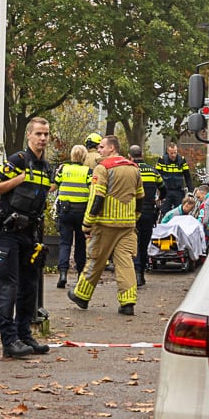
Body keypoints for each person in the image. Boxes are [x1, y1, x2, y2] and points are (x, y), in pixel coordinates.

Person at [0, 117, 54, 359]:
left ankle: (24, 336)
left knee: (29, 287)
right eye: (38, 134)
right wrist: (18, 179)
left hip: (29, 234)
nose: (42, 138)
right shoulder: (18, 160)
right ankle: (9, 340)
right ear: (29, 136)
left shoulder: (46, 167)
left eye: (46, 134)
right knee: (8, 287)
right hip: (9, 233)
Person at [68, 134, 141, 316]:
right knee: (125, 263)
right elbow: (140, 196)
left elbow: (97, 197)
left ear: (111, 148)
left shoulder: (102, 168)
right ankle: (128, 302)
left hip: (105, 223)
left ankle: (81, 295)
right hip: (127, 224)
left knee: (95, 259)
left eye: (101, 147)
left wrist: (87, 222)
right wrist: (135, 216)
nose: (98, 150)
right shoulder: (134, 168)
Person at [53, 144, 91, 289]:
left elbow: (53, 187)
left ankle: (63, 274)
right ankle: (80, 274)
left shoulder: (64, 169)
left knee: (65, 243)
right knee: (80, 244)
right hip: (81, 212)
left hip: (65, 211)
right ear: (84, 156)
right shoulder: (88, 172)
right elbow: (92, 190)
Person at [134, 152, 162, 288]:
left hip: (133, 211)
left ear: (130, 156)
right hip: (148, 211)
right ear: (142, 155)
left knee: (134, 242)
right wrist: (158, 199)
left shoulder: (131, 170)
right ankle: (141, 272)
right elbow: (163, 188)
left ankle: (136, 272)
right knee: (144, 243)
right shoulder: (153, 172)